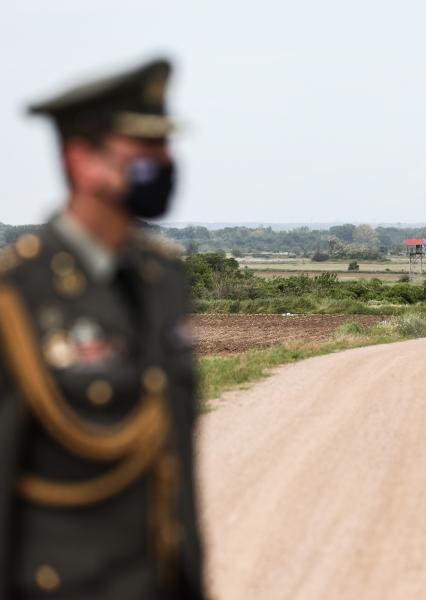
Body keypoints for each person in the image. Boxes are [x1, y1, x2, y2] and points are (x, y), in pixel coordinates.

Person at [0, 58, 206, 598]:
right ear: (82, 159)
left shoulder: (164, 279)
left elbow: (174, 469)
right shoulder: (18, 297)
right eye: (144, 149)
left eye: (165, 146)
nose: (165, 162)